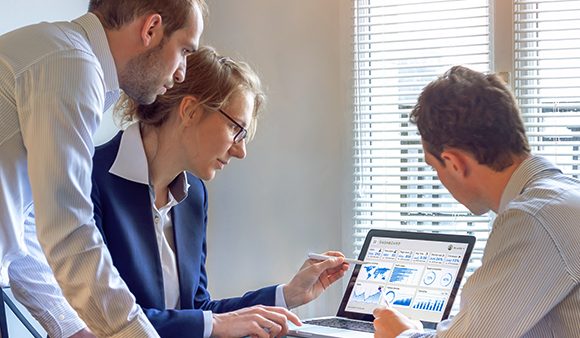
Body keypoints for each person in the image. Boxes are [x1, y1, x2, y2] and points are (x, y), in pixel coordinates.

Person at [12, 46, 350, 338]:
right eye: (237, 129)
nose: (240, 150)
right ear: (189, 110)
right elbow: (104, 320)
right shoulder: (87, 178)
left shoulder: (194, 196)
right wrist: (214, 324)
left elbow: (198, 310)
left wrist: (287, 294)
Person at [0, 1, 206, 337]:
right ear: (151, 29)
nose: (182, 72)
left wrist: (72, 328)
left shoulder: (61, 55)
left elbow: (20, 226)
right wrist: (131, 332)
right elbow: (68, 230)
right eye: (184, 50)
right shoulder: (70, 65)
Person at [372, 66, 580, 337]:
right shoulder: (562, 197)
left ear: (453, 163)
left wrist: (400, 334)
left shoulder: (534, 219)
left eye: (435, 167)